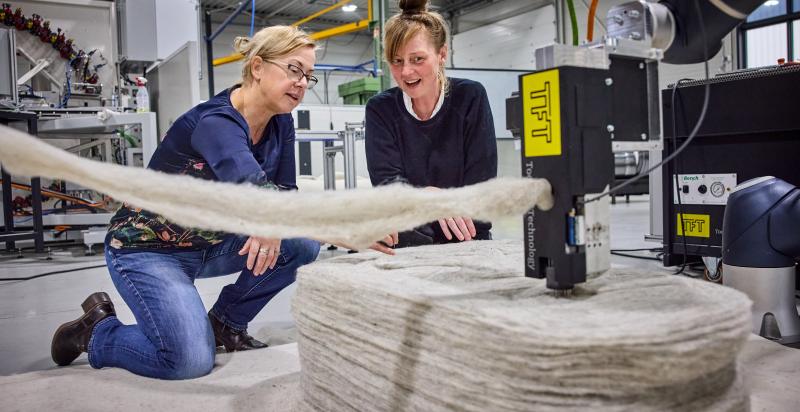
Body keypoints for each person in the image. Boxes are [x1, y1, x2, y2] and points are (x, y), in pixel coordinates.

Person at [50, 25, 393, 380]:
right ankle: (98, 332)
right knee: (187, 360)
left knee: (301, 245)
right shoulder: (214, 122)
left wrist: (272, 222)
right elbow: (252, 187)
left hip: (212, 243)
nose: (303, 83)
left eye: (309, 76)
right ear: (257, 67)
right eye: (294, 70)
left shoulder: (281, 122)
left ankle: (225, 324)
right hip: (147, 251)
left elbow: (283, 194)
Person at [366, 0, 498, 249]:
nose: (406, 72)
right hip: (408, 241)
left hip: (467, 237)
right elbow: (387, 186)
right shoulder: (380, 109)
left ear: (442, 55)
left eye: (417, 59)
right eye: (396, 61)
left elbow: (482, 188)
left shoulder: (470, 97)